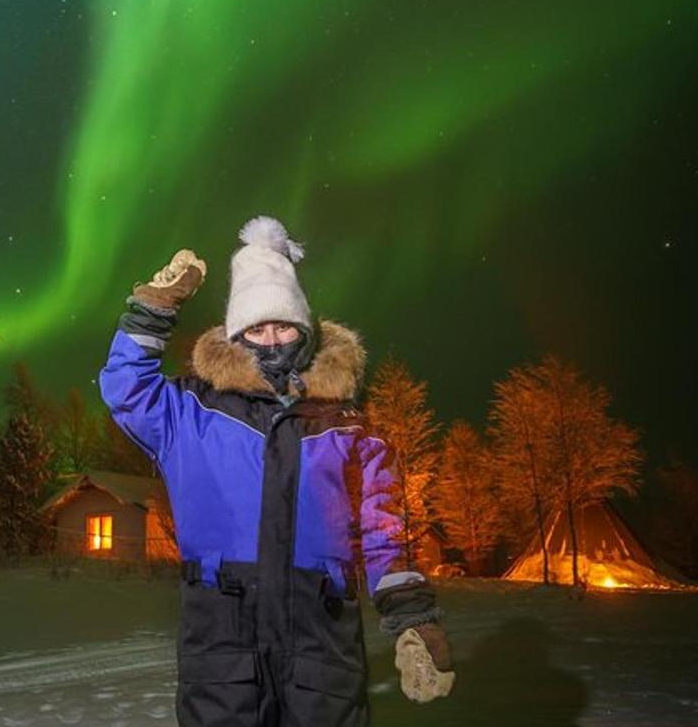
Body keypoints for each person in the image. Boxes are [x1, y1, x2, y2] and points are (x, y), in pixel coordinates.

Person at [98, 215, 455, 726]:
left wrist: (413, 618)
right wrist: (151, 311)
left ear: (304, 330)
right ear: (235, 334)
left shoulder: (349, 428)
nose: (270, 340)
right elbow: (124, 387)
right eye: (255, 328)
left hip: (321, 639)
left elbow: (382, 532)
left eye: (283, 325)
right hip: (222, 642)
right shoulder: (190, 413)